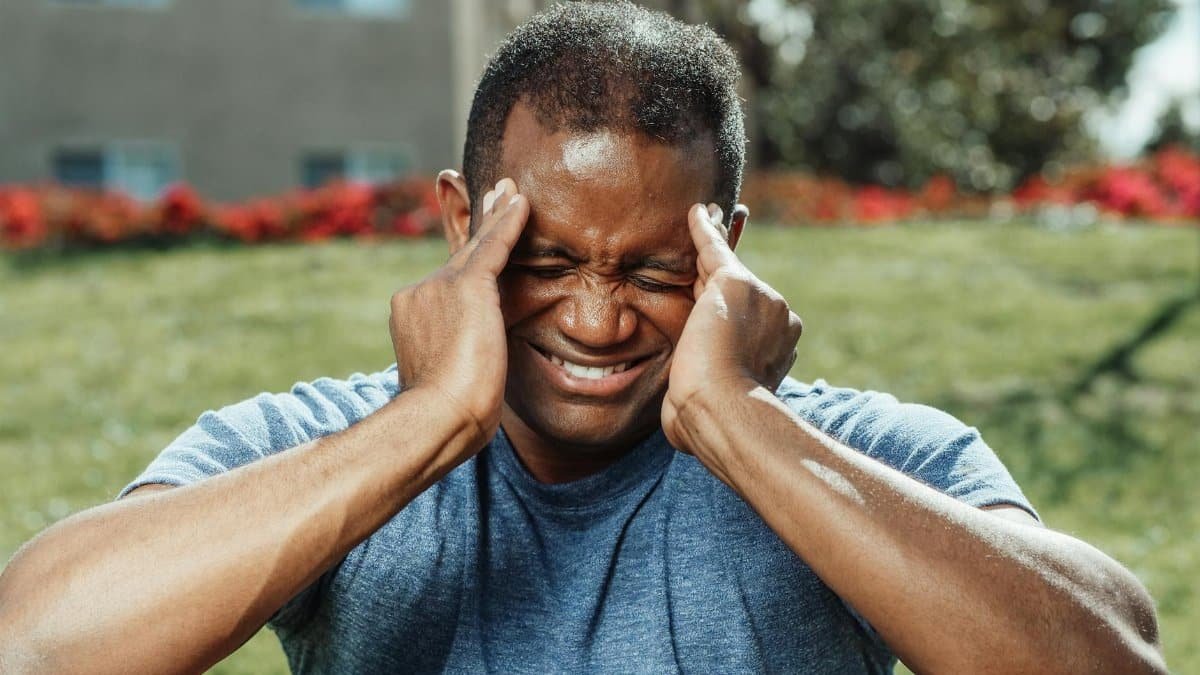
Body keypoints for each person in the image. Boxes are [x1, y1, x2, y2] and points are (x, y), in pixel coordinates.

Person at [0, 3, 1165, 673]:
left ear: (727, 249)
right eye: (548, 263)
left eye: (654, 272)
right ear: (462, 224)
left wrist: (744, 424)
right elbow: (36, 646)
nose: (598, 320)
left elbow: (1113, 658)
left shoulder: (868, 455)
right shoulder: (319, 441)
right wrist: (425, 422)